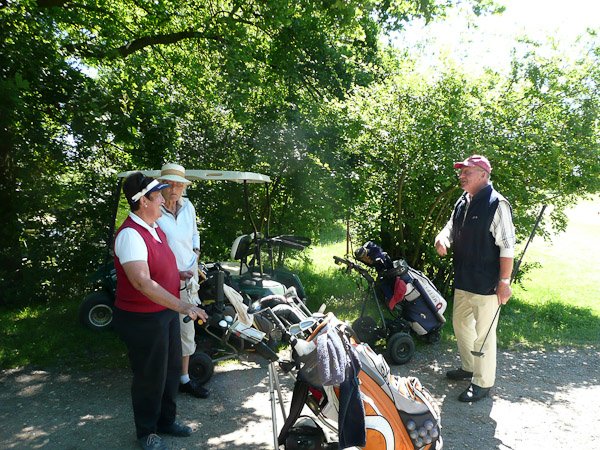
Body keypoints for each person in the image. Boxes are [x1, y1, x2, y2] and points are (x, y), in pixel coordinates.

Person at [112, 172, 208, 450]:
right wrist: (184, 305)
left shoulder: (153, 227)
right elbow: (142, 282)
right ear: (143, 201)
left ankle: (166, 421)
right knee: (149, 376)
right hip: (143, 318)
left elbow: (158, 265)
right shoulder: (131, 234)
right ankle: (147, 432)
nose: (163, 202)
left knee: (170, 370)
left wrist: (176, 274)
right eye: (157, 197)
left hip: (163, 312)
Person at [434, 155, 515, 402]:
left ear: (483, 174)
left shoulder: (497, 204)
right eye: (461, 172)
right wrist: (443, 236)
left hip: (486, 284)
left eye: (467, 172)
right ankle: (469, 367)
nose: (461, 176)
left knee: (484, 335)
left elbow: (507, 246)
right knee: (460, 324)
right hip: (464, 279)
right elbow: (451, 225)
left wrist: (504, 282)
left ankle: (482, 382)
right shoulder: (463, 200)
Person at [156, 162, 209, 399]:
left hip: (189, 278)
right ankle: (163, 378)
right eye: (170, 184)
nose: (174, 189)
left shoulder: (188, 206)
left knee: (186, 327)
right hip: (162, 279)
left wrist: (196, 252)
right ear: (161, 185)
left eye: (179, 185)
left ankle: (184, 378)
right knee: (162, 328)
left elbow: (195, 232)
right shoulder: (154, 208)